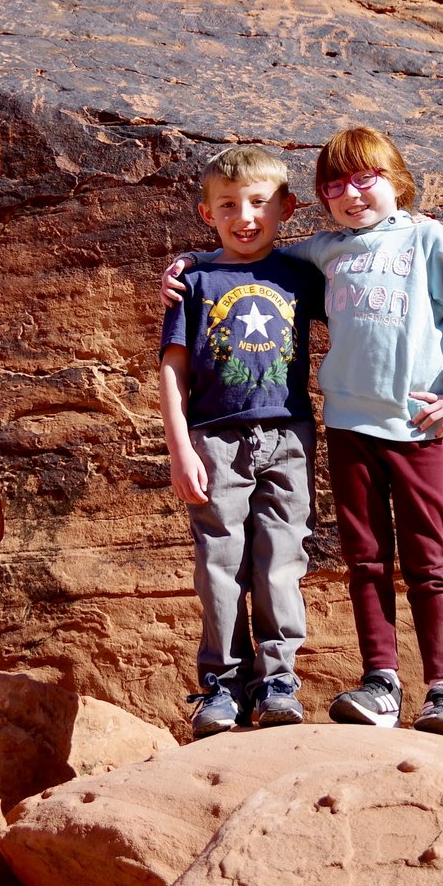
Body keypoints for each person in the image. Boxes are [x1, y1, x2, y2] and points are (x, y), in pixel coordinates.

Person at [165, 126, 443, 739]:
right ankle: (381, 682)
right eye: (336, 185)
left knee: (429, 561)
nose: (352, 195)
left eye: (366, 180)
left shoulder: (432, 242)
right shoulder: (324, 251)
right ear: (320, 199)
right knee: (365, 559)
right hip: (345, 425)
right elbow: (253, 253)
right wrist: (191, 262)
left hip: (412, 428)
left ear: (397, 180)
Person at [157, 145, 323, 739]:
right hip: (214, 440)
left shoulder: (301, 274)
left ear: (287, 207)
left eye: (258, 202)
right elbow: (172, 367)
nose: (244, 216)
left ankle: (278, 680)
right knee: (219, 565)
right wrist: (179, 449)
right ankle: (221, 685)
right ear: (207, 213)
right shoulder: (196, 280)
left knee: (281, 559)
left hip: (288, 434)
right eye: (228, 205)